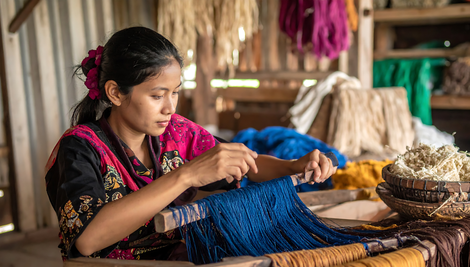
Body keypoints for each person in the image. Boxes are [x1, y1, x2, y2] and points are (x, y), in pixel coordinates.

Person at [45, 26, 337, 261]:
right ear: (116, 93)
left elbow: (246, 163)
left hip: (182, 255)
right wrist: (186, 175)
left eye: (175, 93)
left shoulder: (177, 132)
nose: (170, 107)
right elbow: (87, 239)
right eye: (158, 95)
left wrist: (294, 165)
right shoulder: (81, 148)